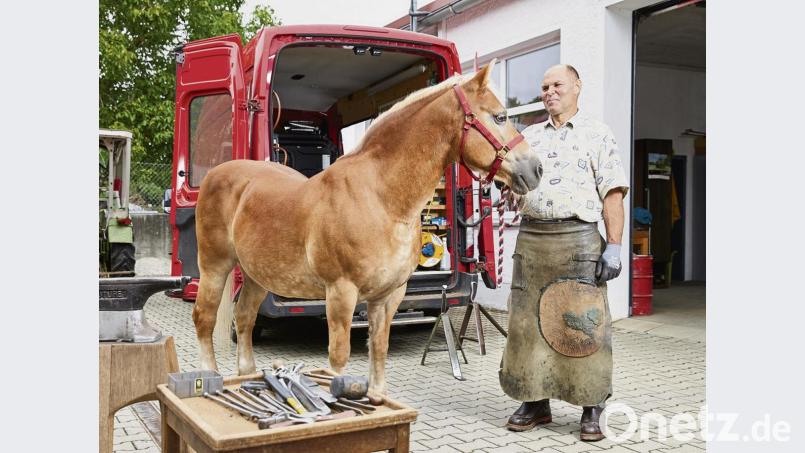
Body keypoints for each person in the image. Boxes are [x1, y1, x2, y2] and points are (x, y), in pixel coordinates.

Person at [499, 64, 629, 442]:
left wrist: (615, 247)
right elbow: (511, 184)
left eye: (557, 84)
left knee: (583, 326)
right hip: (532, 241)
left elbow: (613, 193)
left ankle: (592, 407)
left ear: (577, 87)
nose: (549, 91)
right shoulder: (528, 136)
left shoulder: (597, 134)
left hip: (579, 241)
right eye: (543, 86)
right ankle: (534, 401)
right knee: (525, 328)